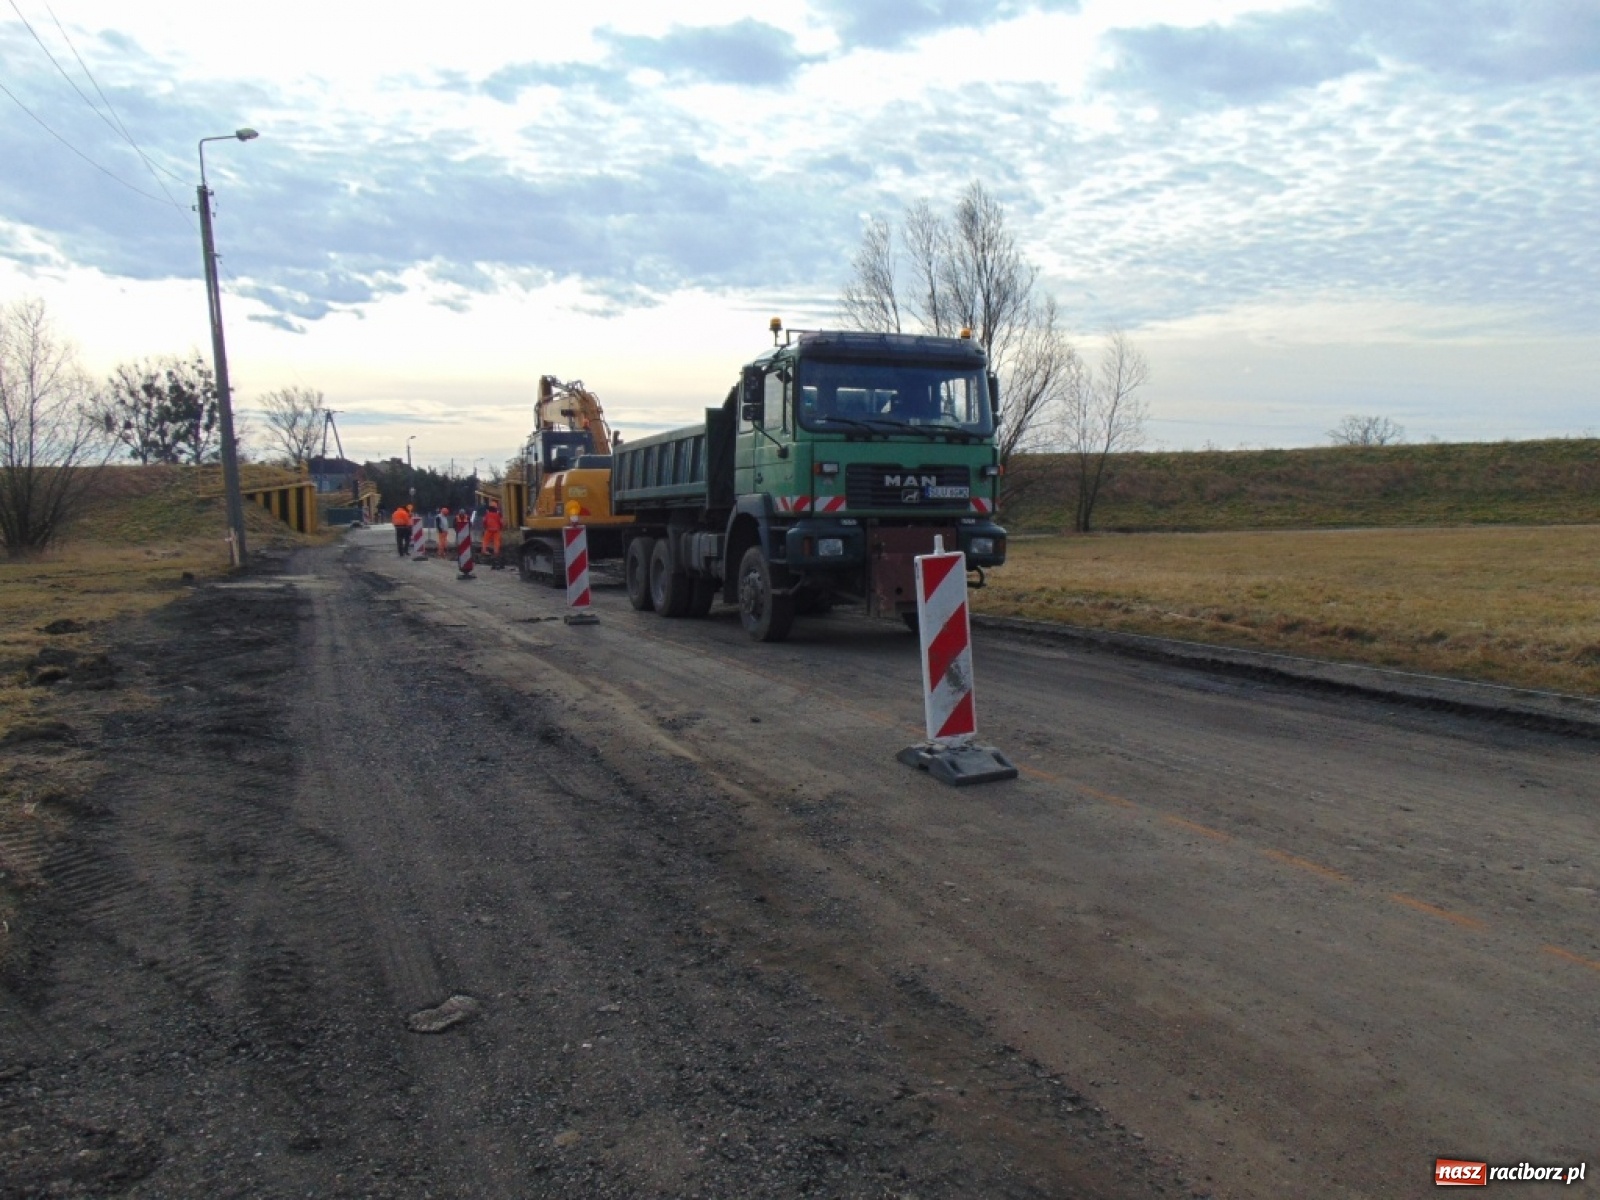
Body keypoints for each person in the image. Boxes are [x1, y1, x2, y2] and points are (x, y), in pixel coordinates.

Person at [482, 500, 503, 567]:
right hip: (496, 530)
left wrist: (485, 527)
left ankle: (484, 551)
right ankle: (496, 552)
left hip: (489, 529)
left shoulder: (487, 514)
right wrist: (501, 528)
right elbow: (501, 522)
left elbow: (484, 521)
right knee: (496, 542)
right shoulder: (497, 515)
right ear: (495, 508)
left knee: (485, 540)